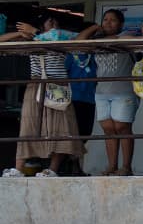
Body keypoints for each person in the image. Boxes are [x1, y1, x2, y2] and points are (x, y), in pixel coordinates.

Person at [1, 14, 87, 176]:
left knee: (60, 128)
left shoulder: (61, 36)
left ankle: (52, 169)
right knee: (28, 126)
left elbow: (56, 38)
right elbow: (2, 41)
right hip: (36, 86)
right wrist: (21, 33)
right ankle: (18, 168)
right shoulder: (33, 41)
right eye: (50, 21)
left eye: (55, 20)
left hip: (57, 85)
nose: (54, 23)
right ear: (42, 24)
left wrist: (35, 32)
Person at [81, 8, 139, 175]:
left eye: (112, 20)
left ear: (121, 24)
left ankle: (126, 167)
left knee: (122, 127)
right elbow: (79, 41)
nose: (108, 23)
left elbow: (131, 40)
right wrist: (94, 29)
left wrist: (103, 40)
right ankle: (112, 166)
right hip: (102, 92)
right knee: (108, 129)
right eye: (105, 19)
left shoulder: (126, 37)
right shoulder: (95, 41)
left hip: (124, 91)